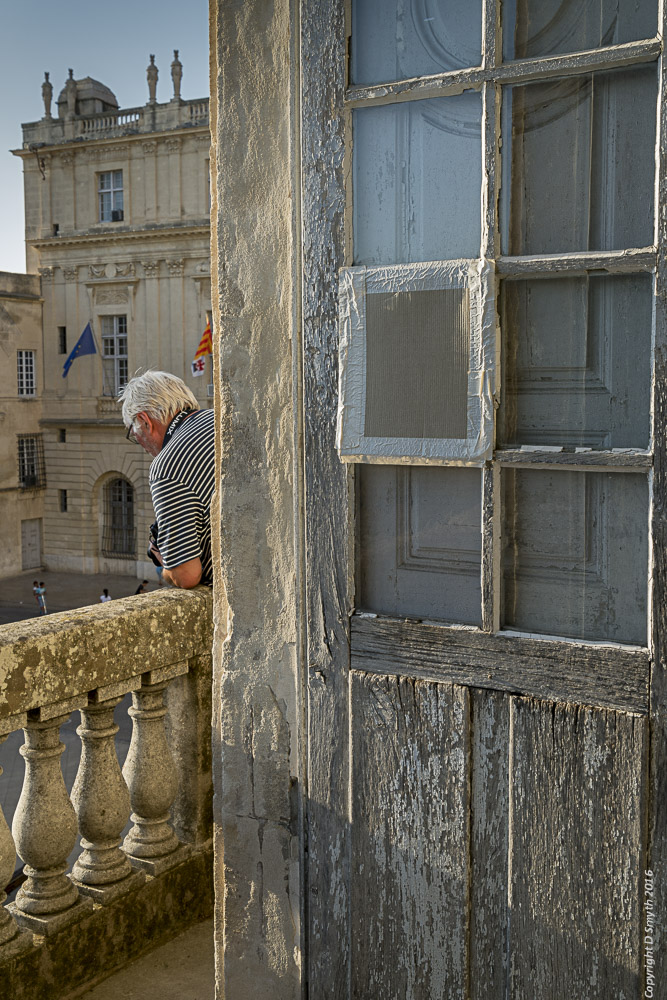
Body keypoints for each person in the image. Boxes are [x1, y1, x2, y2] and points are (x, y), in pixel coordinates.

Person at [120, 371, 215, 588]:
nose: (143, 446)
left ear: (145, 421)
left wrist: (162, 557)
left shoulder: (166, 466)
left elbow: (186, 575)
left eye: (136, 435)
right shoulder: (217, 419)